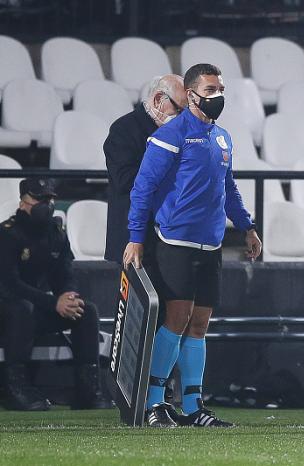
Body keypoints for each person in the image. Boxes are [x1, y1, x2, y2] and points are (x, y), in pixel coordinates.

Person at [123, 63, 262, 428]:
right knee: (177, 319)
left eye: (221, 89)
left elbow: (228, 187)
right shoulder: (170, 135)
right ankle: (154, 403)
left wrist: (247, 227)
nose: (218, 96)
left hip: (211, 243)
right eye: (210, 90)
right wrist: (136, 237)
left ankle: (194, 406)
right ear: (191, 94)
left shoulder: (222, 137)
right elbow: (143, 187)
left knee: (199, 324)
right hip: (176, 241)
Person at [0, 179, 112, 411]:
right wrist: (54, 303)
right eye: (40, 199)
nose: (46, 204)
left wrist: (69, 295)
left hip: (36, 307)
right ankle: (15, 387)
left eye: (49, 199)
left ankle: (88, 390)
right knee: (22, 308)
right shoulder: (7, 234)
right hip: (7, 310)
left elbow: (64, 272)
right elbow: (10, 285)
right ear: (23, 203)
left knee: (86, 310)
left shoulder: (55, 233)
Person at [104, 74, 187, 264]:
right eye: (179, 109)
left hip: (170, 238)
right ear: (158, 99)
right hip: (133, 240)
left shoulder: (181, 133)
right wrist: (170, 174)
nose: (182, 117)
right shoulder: (123, 129)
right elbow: (124, 180)